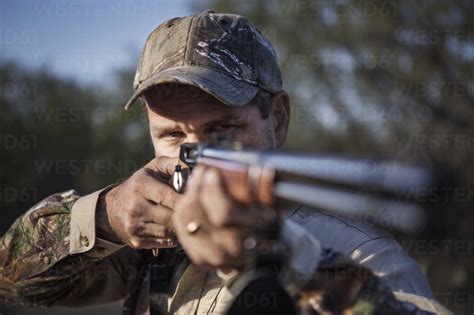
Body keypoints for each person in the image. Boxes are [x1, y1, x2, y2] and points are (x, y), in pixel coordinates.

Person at [0, 10, 449, 315]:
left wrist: (297, 264)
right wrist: (107, 216)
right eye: (172, 134)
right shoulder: (147, 236)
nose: (193, 155)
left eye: (222, 131)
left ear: (277, 118)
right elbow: (12, 277)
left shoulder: (361, 257)